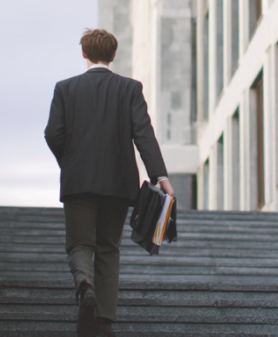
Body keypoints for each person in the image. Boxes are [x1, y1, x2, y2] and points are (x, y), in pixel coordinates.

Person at [44, 28, 174, 337]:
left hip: (77, 181)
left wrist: (70, 162)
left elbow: (53, 134)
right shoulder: (130, 88)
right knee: (108, 248)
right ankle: (103, 320)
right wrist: (160, 176)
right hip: (118, 183)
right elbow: (143, 134)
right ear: (113, 55)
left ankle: (84, 285)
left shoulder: (65, 88)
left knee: (80, 243)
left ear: (84, 54)